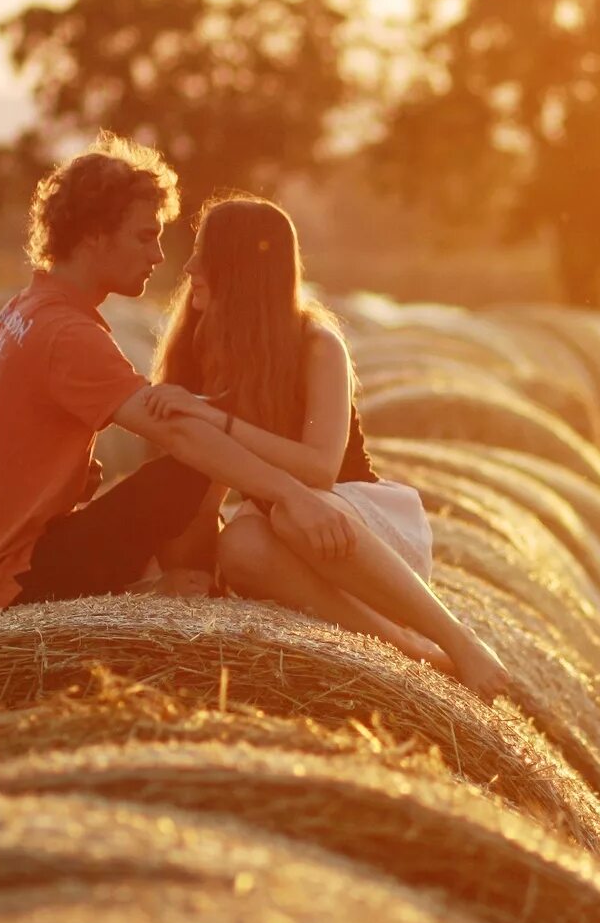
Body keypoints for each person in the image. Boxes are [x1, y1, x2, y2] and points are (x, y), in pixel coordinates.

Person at [0, 134, 363, 663]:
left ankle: (180, 592)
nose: (159, 256)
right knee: (187, 468)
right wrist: (294, 496)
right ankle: (205, 608)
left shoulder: (26, 310)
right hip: (13, 587)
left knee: (177, 468)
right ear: (94, 236)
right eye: (143, 237)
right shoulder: (66, 334)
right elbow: (180, 435)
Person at [144, 194, 512, 699]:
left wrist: (214, 416)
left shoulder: (317, 344)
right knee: (241, 546)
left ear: (240, 268)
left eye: (203, 252)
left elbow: (319, 469)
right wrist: (190, 575)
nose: (188, 266)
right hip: (289, 539)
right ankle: (412, 652)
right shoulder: (199, 342)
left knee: (294, 511)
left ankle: (457, 639)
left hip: (362, 533)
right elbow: (203, 478)